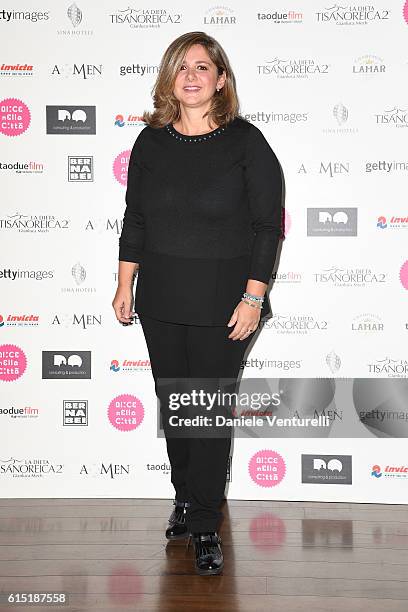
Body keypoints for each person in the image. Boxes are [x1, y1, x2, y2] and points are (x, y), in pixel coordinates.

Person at [112, 31, 283, 576]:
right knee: (176, 408)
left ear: (221, 79)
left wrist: (253, 297)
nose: (191, 75)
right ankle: (186, 499)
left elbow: (266, 228)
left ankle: (206, 525)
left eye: (203, 67)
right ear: (170, 78)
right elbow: (134, 219)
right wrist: (124, 285)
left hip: (224, 303)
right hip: (159, 299)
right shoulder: (150, 143)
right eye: (181, 67)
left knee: (207, 412)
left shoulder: (246, 143)